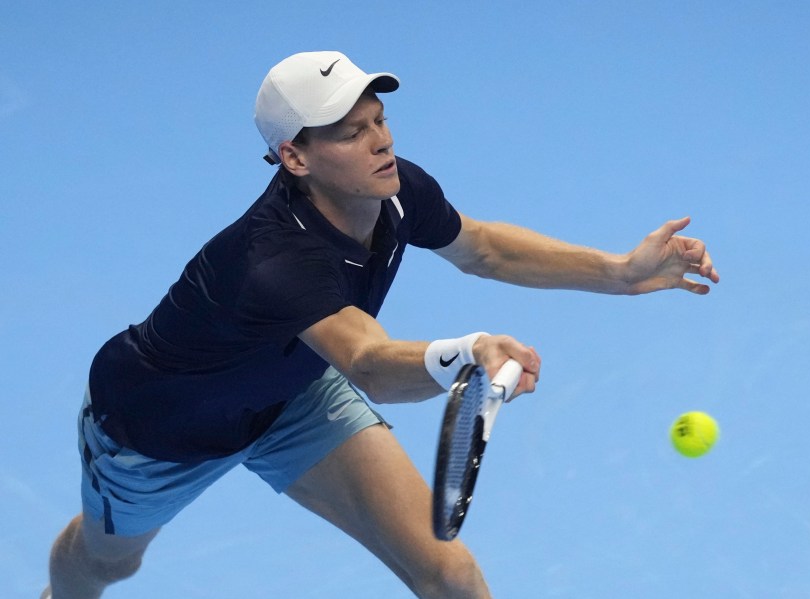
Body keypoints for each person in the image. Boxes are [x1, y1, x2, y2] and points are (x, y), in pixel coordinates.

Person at [42, 51, 719, 599]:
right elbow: (367, 363)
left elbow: (483, 247)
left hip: (295, 393)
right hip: (160, 427)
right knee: (103, 566)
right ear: (295, 158)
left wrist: (621, 272)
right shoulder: (275, 260)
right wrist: (465, 352)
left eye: (379, 118)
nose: (380, 140)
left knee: (450, 576)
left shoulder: (394, 190)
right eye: (350, 131)